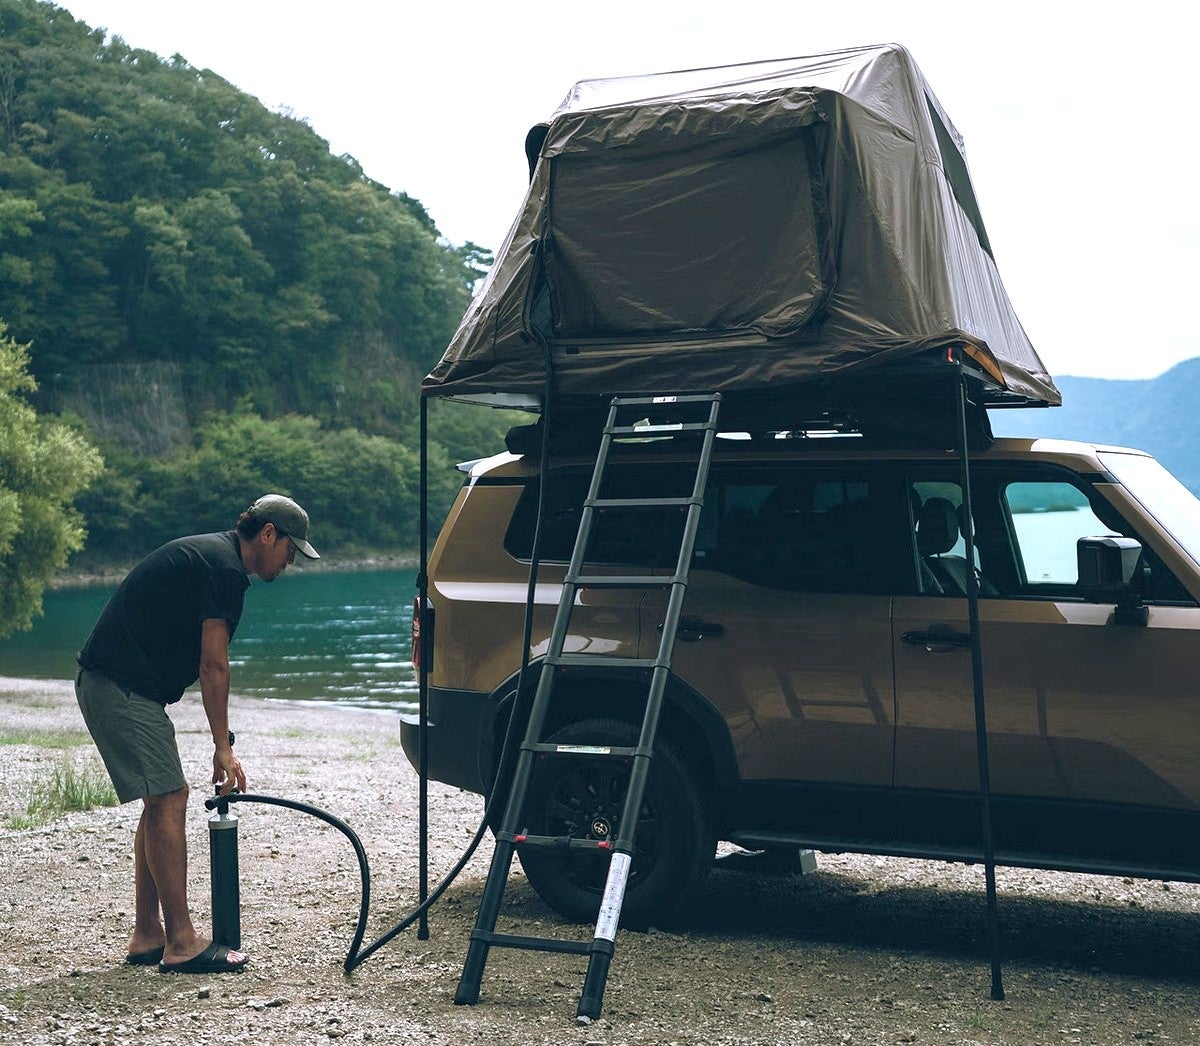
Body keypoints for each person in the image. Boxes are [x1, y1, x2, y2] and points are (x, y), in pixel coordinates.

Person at [74, 494, 319, 974]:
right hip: (119, 686)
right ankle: (181, 942)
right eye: (291, 548)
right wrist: (222, 748)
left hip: (116, 683)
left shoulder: (216, 558)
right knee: (170, 797)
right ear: (268, 534)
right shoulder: (224, 570)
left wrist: (220, 742)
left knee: (160, 798)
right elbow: (213, 665)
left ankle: (148, 934)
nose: (292, 560)